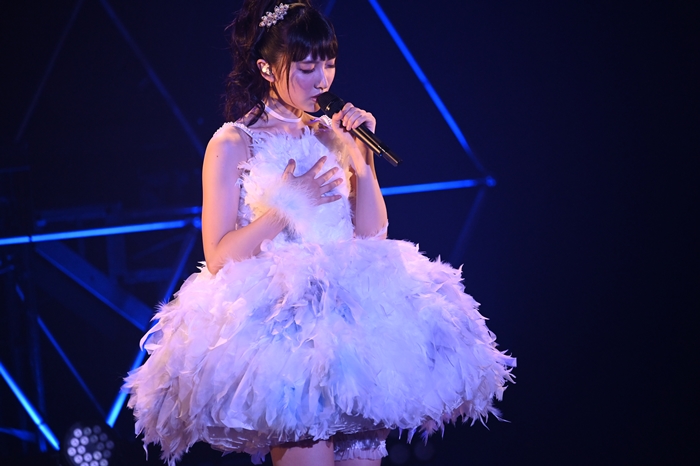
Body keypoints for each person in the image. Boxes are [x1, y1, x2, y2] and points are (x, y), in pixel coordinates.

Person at [123, 1, 515, 465]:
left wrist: (362, 162)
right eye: (307, 68)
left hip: (352, 326)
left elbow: (373, 235)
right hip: (285, 333)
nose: (323, 80)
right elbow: (219, 256)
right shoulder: (233, 142)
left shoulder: (333, 133)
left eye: (329, 64)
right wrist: (287, 206)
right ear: (267, 68)